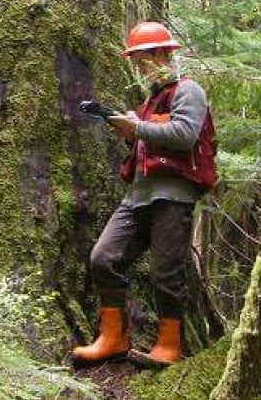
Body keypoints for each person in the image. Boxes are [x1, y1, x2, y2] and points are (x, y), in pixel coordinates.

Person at [71, 21, 216, 368]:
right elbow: (148, 138)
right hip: (137, 196)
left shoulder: (189, 91)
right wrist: (127, 128)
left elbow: (184, 134)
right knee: (103, 257)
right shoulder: (150, 101)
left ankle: (169, 345)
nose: (142, 66)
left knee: (166, 273)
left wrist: (135, 127)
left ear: (165, 54)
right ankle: (112, 338)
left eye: (146, 57)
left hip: (173, 195)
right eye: (137, 60)